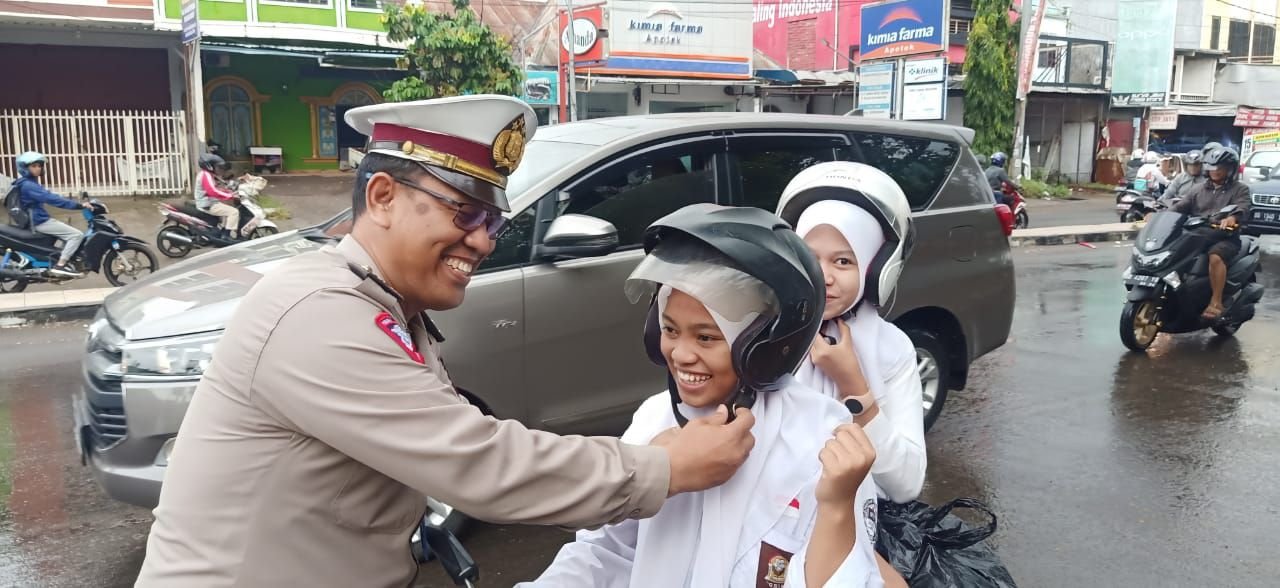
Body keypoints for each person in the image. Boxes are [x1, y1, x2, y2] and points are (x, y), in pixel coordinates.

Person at [135, 96, 757, 587]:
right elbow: (480, 462)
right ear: (382, 197)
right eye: (464, 214)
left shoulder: (382, 303)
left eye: (493, 222)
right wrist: (664, 468)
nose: (483, 241)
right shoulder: (319, 313)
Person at [524, 204, 900, 587]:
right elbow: (607, 550)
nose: (681, 354)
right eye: (670, 330)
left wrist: (837, 507)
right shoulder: (656, 418)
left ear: (767, 347)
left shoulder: (818, 439)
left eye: (706, 337)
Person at [775, 162, 926, 504]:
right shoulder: (763, 335)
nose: (824, 277)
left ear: (876, 269)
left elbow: (906, 485)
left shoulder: (892, 350)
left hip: (852, 526)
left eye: (843, 261)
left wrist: (853, 386)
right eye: (809, 258)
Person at [1171, 146, 1251, 320]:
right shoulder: (1198, 189)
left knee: (1215, 256)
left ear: (1230, 169)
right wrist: (1160, 214)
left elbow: (1243, 207)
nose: (1215, 170)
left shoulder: (1240, 189)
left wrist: (1232, 218)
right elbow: (1180, 207)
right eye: (1212, 167)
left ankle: (1216, 302)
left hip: (1225, 237)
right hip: (1197, 235)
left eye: (1220, 167)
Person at [11, 151, 86, 278]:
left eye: (39, 166)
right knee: (76, 235)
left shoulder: (29, 183)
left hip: (38, 219)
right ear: (25, 168)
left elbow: (49, 195)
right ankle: (60, 266)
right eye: (34, 166)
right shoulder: (29, 185)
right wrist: (78, 206)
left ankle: (64, 260)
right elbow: (51, 199)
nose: (38, 168)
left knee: (66, 232)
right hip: (38, 221)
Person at [195, 152, 242, 241]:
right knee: (234, 212)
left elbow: (215, 189)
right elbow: (212, 191)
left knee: (227, 211)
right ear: (209, 166)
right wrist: (230, 196)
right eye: (218, 167)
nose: (220, 169)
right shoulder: (205, 175)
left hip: (209, 202)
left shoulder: (207, 174)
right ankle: (226, 236)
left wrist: (228, 192)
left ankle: (223, 232)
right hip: (207, 204)